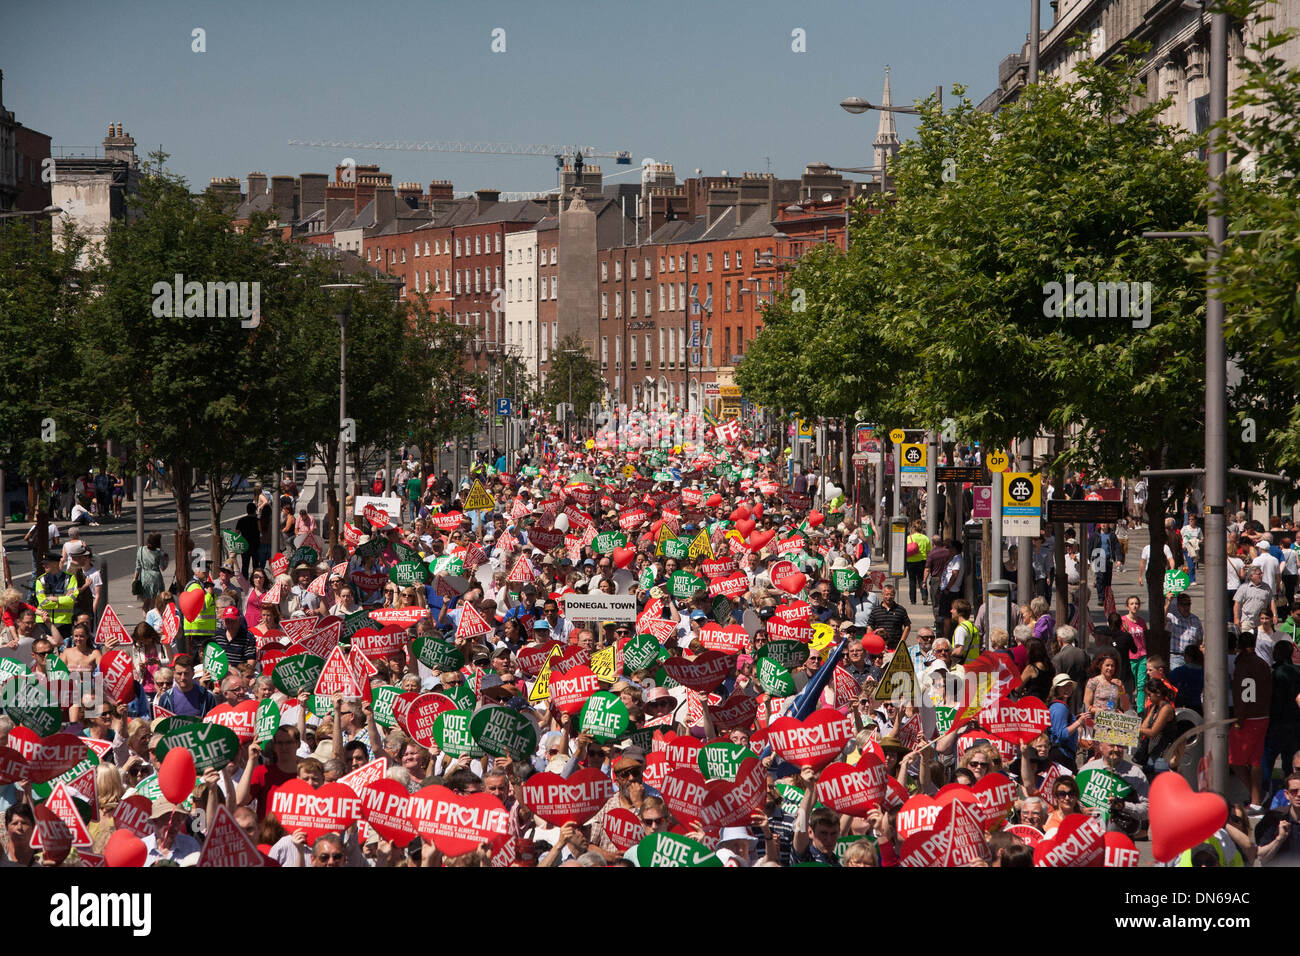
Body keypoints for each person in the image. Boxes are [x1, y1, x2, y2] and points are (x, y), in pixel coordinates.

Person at [1255, 772, 1300, 866]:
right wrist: (1279, 839)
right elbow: (1262, 858)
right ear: (1287, 794)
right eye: (1294, 791)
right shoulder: (1273, 818)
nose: (1299, 794)